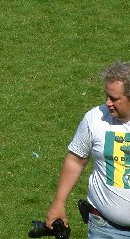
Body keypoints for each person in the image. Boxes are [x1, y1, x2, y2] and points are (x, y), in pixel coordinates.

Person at [45, 61, 130, 238]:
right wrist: (59, 203)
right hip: (106, 228)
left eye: (114, 98)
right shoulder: (95, 119)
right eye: (106, 96)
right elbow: (75, 159)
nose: (107, 103)